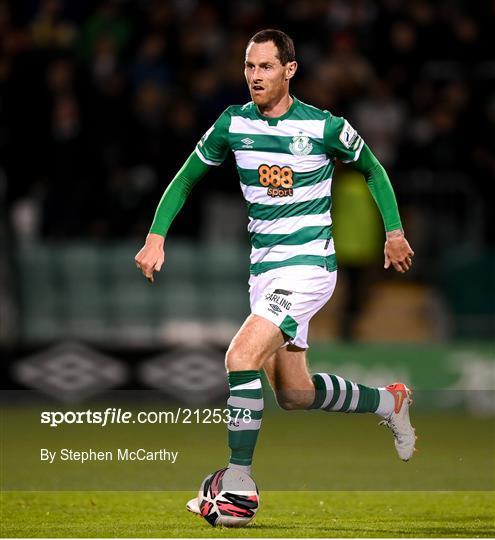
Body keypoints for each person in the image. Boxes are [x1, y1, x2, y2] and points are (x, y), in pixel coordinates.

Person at [134, 29, 416, 514]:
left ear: (290, 70)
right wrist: (156, 235)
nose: (255, 76)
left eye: (266, 67)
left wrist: (393, 231)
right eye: (249, 67)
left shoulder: (325, 127)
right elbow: (185, 178)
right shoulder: (233, 123)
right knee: (294, 393)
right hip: (264, 271)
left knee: (240, 357)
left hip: (308, 267)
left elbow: (372, 168)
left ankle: (239, 484)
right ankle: (390, 403)